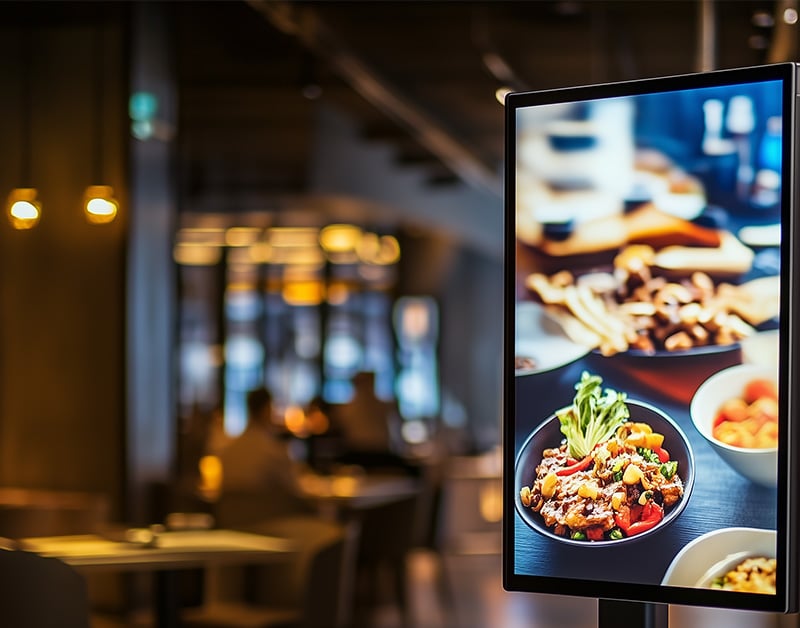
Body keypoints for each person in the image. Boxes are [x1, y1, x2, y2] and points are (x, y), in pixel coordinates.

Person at [217, 387, 311, 525]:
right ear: (267, 410)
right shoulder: (273, 451)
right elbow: (294, 490)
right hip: (270, 526)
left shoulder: (228, 450)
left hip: (232, 524)